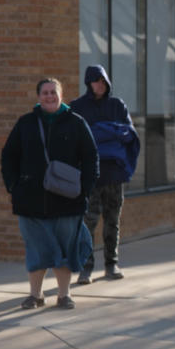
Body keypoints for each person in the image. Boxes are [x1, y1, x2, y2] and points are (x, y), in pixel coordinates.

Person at [1, 78, 98, 310]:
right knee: (35, 249)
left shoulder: (76, 123)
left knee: (65, 249)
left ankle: (64, 295)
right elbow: (9, 156)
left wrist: (84, 189)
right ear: (38, 97)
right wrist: (13, 186)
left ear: (61, 95)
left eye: (53, 92)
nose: (49, 96)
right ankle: (35, 295)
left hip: (68, 201)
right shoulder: (26, 123)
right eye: (44, 93)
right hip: (30, 201)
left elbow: (91, 158)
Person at [69, 64, 136, 284]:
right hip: (89, 176)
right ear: (88, 82)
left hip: (114, 174)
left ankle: (111, 263)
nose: (100, 84)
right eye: (96, 80)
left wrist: (99, 132)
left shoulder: (117, 105)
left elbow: (128, 134)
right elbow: (74, 138)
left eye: (103, 80)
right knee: (88, 222)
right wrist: (109, 132)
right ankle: (86, 267)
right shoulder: (78, 107)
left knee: (112, 220)